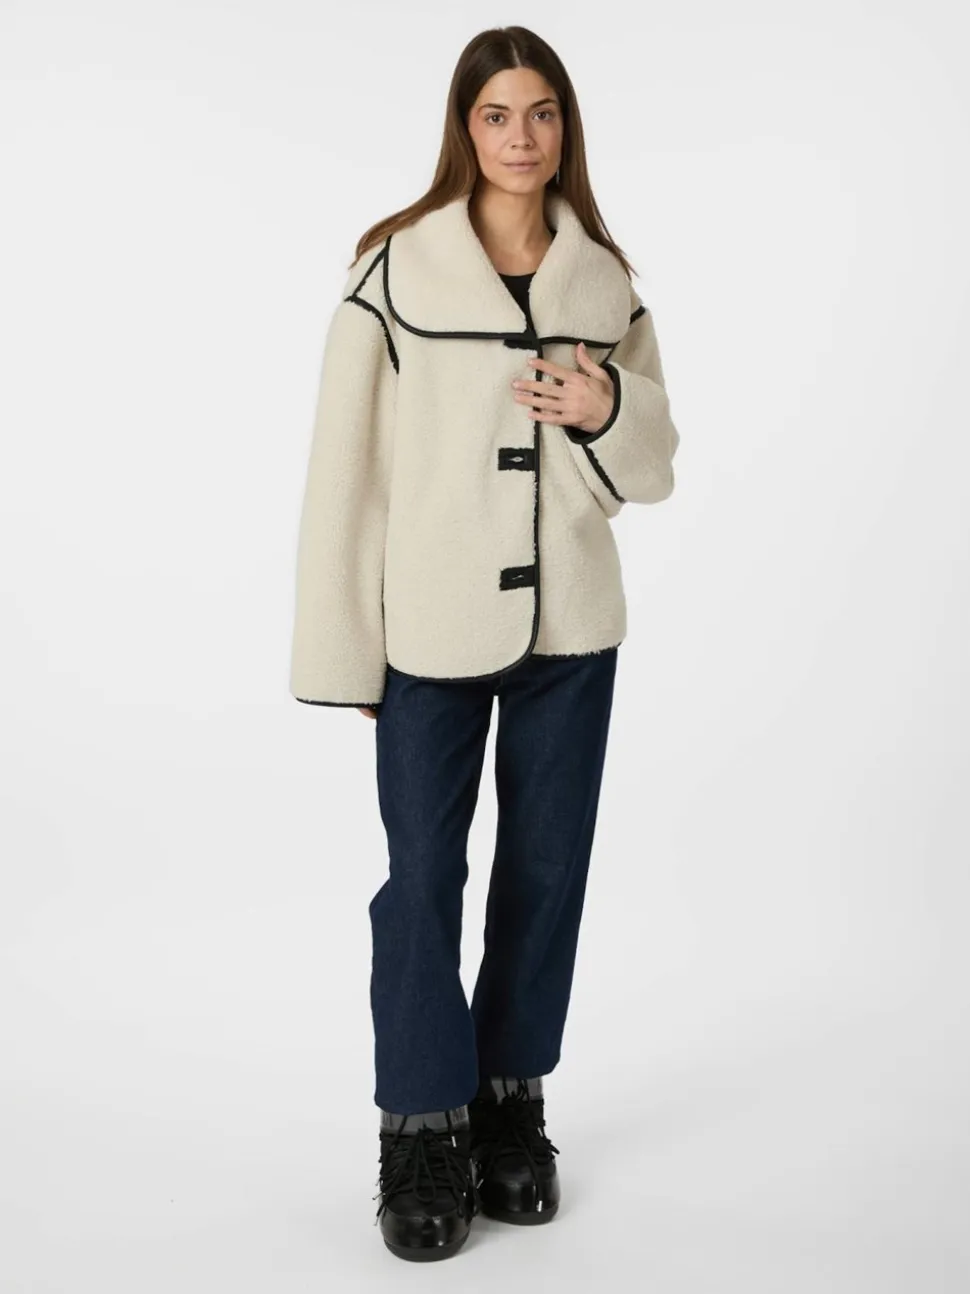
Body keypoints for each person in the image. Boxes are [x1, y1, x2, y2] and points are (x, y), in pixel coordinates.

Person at [288, 24, 680, 1263]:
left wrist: (605, 406)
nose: (522, 136)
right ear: (464, 127)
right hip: (430, 626)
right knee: (422, 880)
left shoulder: (602, 281)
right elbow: (344, 476)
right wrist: (348, 650)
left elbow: (652, 468)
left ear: (566, 128)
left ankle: (511, 1104)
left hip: (572, 624)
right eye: (498, 114)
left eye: (543, 112)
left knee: (546, 873)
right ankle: (421, 1126)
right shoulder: (393, 271)